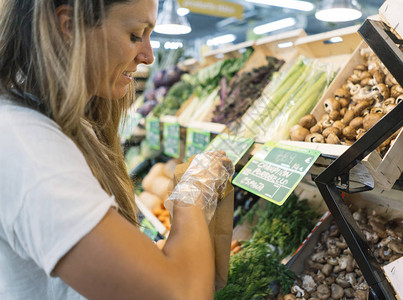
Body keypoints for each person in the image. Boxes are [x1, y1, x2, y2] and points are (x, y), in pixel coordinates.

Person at [0, 0, 234, 299]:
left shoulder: (55, 123)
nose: (148, 56)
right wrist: (192, 195)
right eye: (136, 34)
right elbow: (181, 294)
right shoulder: (29, 150)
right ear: (69, 27)